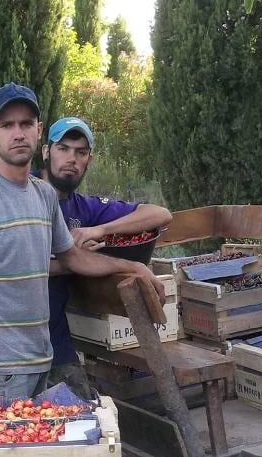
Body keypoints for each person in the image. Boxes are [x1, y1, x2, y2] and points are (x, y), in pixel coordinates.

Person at [0, 83, 166, 409]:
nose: (18, 133)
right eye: (6, 125)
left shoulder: (43, 195)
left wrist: (134, 266)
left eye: (26, 124)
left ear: (39, 131)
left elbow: (71, 258)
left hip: (43, 362)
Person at [41, 116, 173, 394]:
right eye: (63, 148)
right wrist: (74, 259)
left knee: (81, 419)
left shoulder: (84, 208)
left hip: (56, 340)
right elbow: (20, 265)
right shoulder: (25, 196)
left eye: (80, 152)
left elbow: (161, 214)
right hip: (9, 347)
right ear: (45, 151)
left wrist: (100, 229)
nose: (71, 159)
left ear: (89, 159)